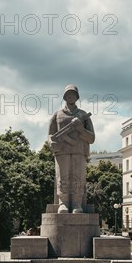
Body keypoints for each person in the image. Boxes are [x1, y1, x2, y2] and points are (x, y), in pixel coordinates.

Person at [48, 85, 95, 213]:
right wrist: (51, 143)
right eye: (68, 95)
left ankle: (76, 203)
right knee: (62, 177)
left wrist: (81, 129)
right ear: (64, 97)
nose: (71, 97)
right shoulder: (57, 115)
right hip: (62, 152)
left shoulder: (83, 115)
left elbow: (91, 138)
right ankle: (63, 202)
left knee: (78, 177)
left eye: (73, 95)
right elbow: (51, 135)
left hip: (79, 152)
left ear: (77, 97)